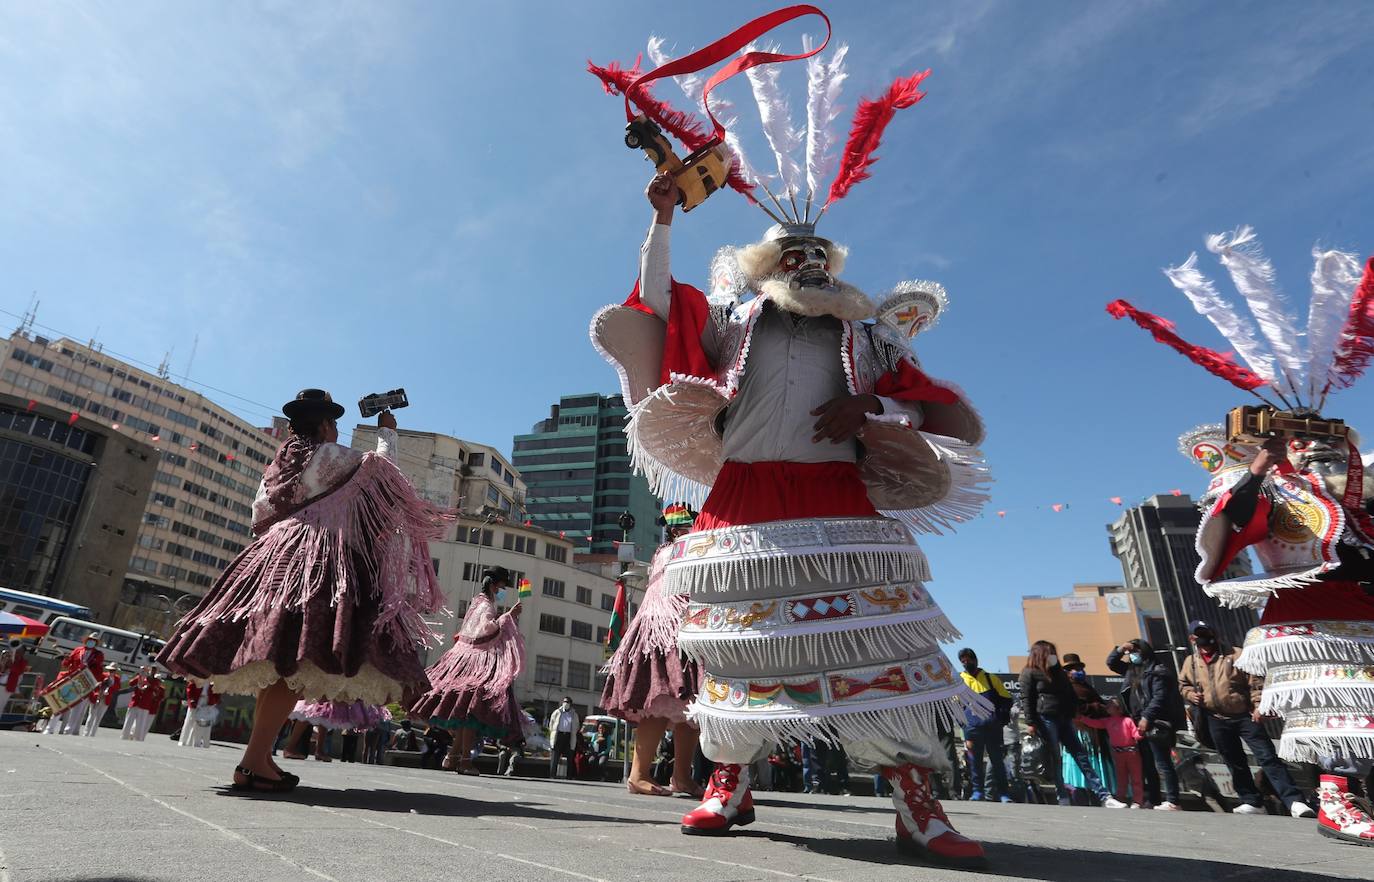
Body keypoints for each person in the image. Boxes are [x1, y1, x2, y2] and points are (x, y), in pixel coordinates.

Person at [594, 167, 989, 862]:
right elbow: (657, 304)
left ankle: (914, 800)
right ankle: (729, 777)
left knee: (875, 645)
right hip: (743, 497)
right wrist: (662, 221)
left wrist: (874, 407)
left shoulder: (870, 337)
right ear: (765, 269)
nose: (806, 267)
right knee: (736, 645)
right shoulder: (734, 324)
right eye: (792, 258)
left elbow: (933, 407)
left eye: (817, 258)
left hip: (835, 495)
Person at [158, 391, 448, 793]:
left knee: (276, 659)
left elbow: (259, 516)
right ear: (327, 425)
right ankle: (253, 761)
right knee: (287, 665)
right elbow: (386, 476)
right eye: (333, 424)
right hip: (319, 560)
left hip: (273, 556)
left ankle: (258, 758)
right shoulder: (330, 456)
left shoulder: (276, 465)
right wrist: (386, 433)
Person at [600, 503, 705, 797]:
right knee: (660, 703)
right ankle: (640, 774)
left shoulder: (665, 552)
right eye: (686, 524)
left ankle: (681, 776)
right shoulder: (677, 551)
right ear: (675, 529)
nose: (691, 528)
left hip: (671, 629)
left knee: (691, 707)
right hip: (667, 631)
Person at [1178, 619, 1314, 818]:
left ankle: (1294, 801)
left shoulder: (1237, 654)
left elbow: (1255, 683)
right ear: (1192, 638)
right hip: (1215, 717)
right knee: (1234, 760)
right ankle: (1251, 800)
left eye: (1208, 632)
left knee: (1267, 757)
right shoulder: (1191, 662)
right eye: (1200, 634)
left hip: (1244, 715)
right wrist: (1190, 695)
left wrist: (1258, 706)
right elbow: (1183, 685)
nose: (1206, 638)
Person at [411, 566, 525, 775]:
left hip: (464, 660)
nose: (502, 591)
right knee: (471, 712)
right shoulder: (486, 606)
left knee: (466, 714)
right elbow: (485, 630)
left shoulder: (478, 602)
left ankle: (452, 757)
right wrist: (508, 616)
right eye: (501, 587)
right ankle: (463, 761)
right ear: (493, 585)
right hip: (476, 663)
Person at [1019, 640, 1125, 808]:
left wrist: (1073, 710)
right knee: (1055, 758)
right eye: (1050, 652)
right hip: (1046, 718)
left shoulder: (1059, 673)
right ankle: (1062, 795)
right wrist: (1031, 722)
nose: (1053, 656)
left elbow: (1069, 693)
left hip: (1065, 718)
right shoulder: (1029, 673)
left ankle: (1104, 795)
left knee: (1081, 755)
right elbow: (1026, 699)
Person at [1107, 639, 1185, 811]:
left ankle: (1173, 799)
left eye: (1136, 651)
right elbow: (1111, 663)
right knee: (1147, 763)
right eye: (1131, 652)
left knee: (1162, 762)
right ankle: (1154, 798)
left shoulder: (1158, 671)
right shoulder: (1132, 670)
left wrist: (1147, 717)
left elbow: (1159, 697)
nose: (1133, 655)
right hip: (1137, 722)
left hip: (1154, 722)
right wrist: (1121, 649)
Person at [957, 648, 1013, 803]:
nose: (966, 662)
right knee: (974, 763)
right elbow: (955, 707)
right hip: (972, 729)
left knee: (997, 761)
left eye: (969, 659)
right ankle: (977, 792)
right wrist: (964, 726)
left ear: (976, 659)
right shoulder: (958, 681)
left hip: (992, 728)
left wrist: (999, 719)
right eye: (963, 660)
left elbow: (1007, 699)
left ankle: (1003, 793)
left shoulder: (990, 678)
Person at [1079, 699, 1145, 808]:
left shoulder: (1127, 720)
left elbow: (1135, 734)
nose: (1107, 707)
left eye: (1111, 705)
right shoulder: (1107, 721)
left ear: (1118, 709)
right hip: (1118, 753)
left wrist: (1140, 733)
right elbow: (1095, 723)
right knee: (1121, 778)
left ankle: (1137, 800)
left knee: (1136, 777)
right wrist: (1082, 718)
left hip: (1132, 752)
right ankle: (1120, 797)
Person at [46, 633, 105, 735]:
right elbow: (66, 664)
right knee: (61, 702)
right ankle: (50, 728)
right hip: (72, 679)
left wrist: (90, 667)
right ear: (86, 641)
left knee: (78, 708)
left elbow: (99, 670)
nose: (91, 642)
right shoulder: (78, 650)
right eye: (90, 640)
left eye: (94, 641)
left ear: (96, 643)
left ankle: (69, 730)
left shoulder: (99, 654)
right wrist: (65, 658)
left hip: (86, 682)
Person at [82, 663, 121, 736]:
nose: (112, 672)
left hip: (106, 699)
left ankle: (92, 734)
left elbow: (117, 688)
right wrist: (103, 683)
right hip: (98, 697)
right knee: (91, 716)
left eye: (113, 670)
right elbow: (96, 685)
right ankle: (86, 733)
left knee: (98, 718)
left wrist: (110, 686)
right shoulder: (103, 675)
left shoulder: (117, 678)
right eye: (110, 670)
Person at [547, 696, 579, 780]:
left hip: (568, 736)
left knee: (570, 756)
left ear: (571, 704)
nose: (566, 703)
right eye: (564, 701)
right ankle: (552, 775)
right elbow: (551, 724)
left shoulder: (574, 714)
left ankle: (569, 776)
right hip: (559, 735)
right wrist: (553, 733)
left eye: (567, 702)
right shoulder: (557, 712)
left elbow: (577, 726)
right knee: (555, 756)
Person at [179, 679, 218, 748]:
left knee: (201, 724)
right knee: (190, 721)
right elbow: (190, 689)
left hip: (206, 702)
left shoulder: (214, 681)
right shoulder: (198, 678)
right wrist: (191, 700)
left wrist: (213, 702)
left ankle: (196, 742)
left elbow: (217, 693)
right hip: (196, 700)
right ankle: (183, 741)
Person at [1, 644, 29, 714]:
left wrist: (11, 663)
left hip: (6, 688)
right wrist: (4, 662)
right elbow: (2, 670)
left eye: (19, 651)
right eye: (16, 650)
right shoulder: (8, 658)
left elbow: (17, 671)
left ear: (23, 653)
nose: (16, 652)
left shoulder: (23, 662)